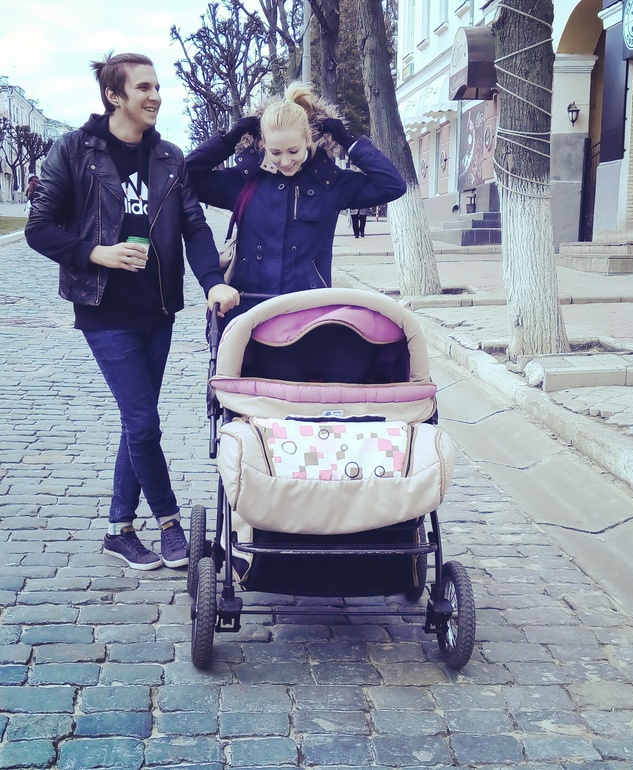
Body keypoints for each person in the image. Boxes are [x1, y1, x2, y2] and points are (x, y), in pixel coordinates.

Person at [25, 52, 240, 571]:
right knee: (144, 423)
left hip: (157, 307)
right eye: (144, 87)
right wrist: (96, 253)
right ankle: (169, 524)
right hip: (105, 309)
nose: (155, 96)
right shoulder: (74, 150)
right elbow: (38, 228)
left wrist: (213, 282)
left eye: (157, 87)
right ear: (113, 95)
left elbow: (193, 226)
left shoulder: (168, 156)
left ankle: (118, 529)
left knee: (135, 421)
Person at [185, 82, 406, 320]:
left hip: (308, 315)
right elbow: (184, 177)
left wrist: (349, 141)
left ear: (308, 138)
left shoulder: (330, 183)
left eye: (293, 151)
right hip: (246, 310)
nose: (285, 161)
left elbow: (392, 185)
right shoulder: (243, 181)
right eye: (275, 152)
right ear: (264, 144)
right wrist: (228, 140)